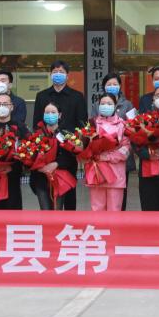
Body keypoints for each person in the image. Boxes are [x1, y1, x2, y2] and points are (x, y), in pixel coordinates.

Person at [32, 60, 87, 210]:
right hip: (45, 154)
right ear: (50, 74)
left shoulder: (77, 97)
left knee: (68, 198)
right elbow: (36, 125)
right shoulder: (42, 96)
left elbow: (82, 126)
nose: (58, 75)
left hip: (68, 153)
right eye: (55, 72)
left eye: (61, 72)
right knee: (46, 198)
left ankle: (68, 224)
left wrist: (74, 144)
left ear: (67, 76)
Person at [0, 93, 30, 210]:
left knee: (13, 211)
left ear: (11, 107)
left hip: (12, 177)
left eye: (5, 104)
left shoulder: (20, 127)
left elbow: (27, 151)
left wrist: (12, 167)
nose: (2, 106)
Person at [88, 93, 131, 211]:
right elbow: (85, 146)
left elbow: (126, 149)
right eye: (102, 103)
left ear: (115, 105)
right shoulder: (92, 124)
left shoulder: (122, 124)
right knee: (97, 210)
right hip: (97, 173)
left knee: (114, 211)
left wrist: (107, 157)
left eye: (109, 103)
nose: (105, 106)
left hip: (116, 175)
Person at [30, 102, 76, 210]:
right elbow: (29, 155)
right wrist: (39, 166)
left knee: (57, 210)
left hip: (59, 178)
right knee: (45, 210)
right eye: (47, 112)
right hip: (41, 179)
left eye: (53, 112)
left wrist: (56, 164)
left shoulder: (66, 134)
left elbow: (71, 156)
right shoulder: (36, 134)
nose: (50, 115)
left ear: (59, 115)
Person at [101, 72, 136, 210]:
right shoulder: (98, 105)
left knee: (119, 195)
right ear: (104, 86)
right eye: (109, 84)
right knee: (101, 194)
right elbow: (91, 128)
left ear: (120, 86)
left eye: (115, 84)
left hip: (121, 158)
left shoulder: (128, 105)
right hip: (101, 158)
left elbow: (134, 126)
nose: (112, 86)